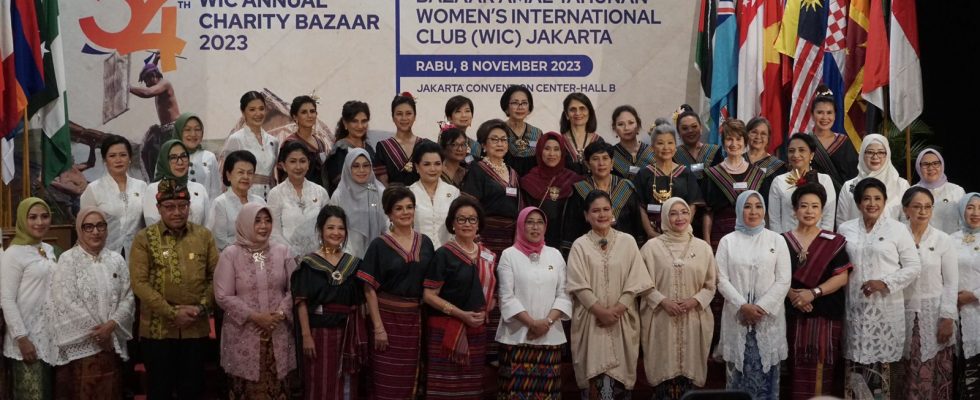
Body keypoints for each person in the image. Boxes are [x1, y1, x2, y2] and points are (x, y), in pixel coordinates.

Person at [129, 178, 219, 399]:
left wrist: (200, 309)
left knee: (193, 390)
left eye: (182, 206)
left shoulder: (204, 236)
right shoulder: (144, 239)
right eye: (169, 207)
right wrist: (171, 313)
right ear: (159, 208)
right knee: (160, 390)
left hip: (195, 328)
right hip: (157, 331)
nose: (177, 212)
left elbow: (215, 278)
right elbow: (139, 283)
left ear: (189, 206)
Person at [838, 178, 922, 398]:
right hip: (854, 309)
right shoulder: (845, 229)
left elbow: (914, 266)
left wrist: (884, 282)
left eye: (877, 198)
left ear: (885, 201)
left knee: (883, 373)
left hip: (885, 310)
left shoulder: (898, 229)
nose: (872, 203)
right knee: (855, 370)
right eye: (866, 198)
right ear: (858, 202)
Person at [566, 191, 654, 398]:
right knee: (594, 377)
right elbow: (577, 284)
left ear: (613, 212)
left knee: (620, 378)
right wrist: (600, 311)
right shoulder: (580, 245)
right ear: (586, 215)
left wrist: (619, 308)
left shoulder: (628, 241)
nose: (602, 214)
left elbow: (636, 279)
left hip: (621, 319)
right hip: (591, 320)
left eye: (606, 209)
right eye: (595, 211)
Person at [46, 207, 135, 399]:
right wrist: (99, 334)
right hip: (80, 345)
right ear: (79, 229)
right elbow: (65, 301)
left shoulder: (116, 260)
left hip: (111, 342)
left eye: (100, 226)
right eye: (89, 227)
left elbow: (128, 297)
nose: (96, 232)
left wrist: (110, 327)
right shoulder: (68, 260)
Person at [356, 186, 435, 400]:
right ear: (389, 213)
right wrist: (378, 327)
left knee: (412, 377)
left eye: (409, 207)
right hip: (387, 321)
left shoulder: (425, 243)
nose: (405, 212)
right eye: (399, 208)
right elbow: (368, 289)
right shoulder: (379, 245)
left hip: (416, 320)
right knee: (386, 378)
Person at [214, 204, 296, 399]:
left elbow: (295, 289)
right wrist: (255, 316)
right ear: (245, 223)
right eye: (257, 221)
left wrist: (280, 313)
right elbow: (223, 295)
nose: (263, 226)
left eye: (268, 221)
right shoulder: (230, 254)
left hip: (278, 330)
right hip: (244, 333)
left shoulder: (283, 251)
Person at [715, 191, 790, 399]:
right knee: (737, 377)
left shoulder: (777, 240)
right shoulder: (727, 241)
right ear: (739, 210)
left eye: (758, 206)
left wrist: (761, 307)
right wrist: (743, 306)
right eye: (747, 206)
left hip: (768, 319)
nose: (753, 211)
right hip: (737, 317)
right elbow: (721, 279)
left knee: (767, 378)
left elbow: (784, 280)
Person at [640, 197, 717, 398]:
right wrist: (662, 301)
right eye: (673, 213)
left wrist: (695, 300)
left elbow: (710, 285)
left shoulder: (703, 248)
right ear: (665, 217)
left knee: (689, 382)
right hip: (661, 319)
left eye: (684, 212)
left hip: (693, 319)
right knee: (664, 375)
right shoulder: (650, 248)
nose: (679, 217)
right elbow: (641, 284)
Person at [781, 183, 851, 399]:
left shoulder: (834, 241)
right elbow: (773, 276)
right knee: (795, 369)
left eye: (815, 206)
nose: (809, 211)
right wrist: (793, 295)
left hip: (825, 314)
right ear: (795, 210)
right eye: (804, 206)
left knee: (822, 367)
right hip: (793, 314)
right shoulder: (781, 240)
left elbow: (842, 277)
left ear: (822, 211)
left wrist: (813, 293)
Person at [422, 197, 496, 399]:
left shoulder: (488, 255)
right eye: (461, 219)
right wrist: (461, 314)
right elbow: (429, 295)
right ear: (452, 224)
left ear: (479, 224)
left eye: (472, 219)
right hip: (446, 331)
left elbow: (492, 293)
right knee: (444, 389)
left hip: (476, 331)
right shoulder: (444, 254)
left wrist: (488, 306)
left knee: (470, 389)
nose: (467, 224)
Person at [495, 207, 572, 399]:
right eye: (529, 222)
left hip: (550, 336)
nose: (535, 227)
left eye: (539, 222)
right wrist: (532, 323)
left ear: (545, 227)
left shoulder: (555, 255)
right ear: (521, 225)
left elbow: (564, 293)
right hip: (517, 336)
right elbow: (506, 296)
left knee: (547, 394)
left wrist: (547, 322)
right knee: (514, 392)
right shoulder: (509, 255)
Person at [291, 205, 367, 399]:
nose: (336, 233)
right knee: (320, 381)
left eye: (341, 228)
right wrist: (306, 335)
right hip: (319, 334)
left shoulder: (353, 264)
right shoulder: (309, 264)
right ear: (320, 230)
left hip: (348, 332)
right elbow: (301, 303)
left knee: (347, 383)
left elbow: (361, 302)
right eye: (330, 227)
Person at [900, 187, 958, 399]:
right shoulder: (896, 237)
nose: (923, 211)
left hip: (935, 316)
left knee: (934, 376)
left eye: (927, 207)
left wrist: (948, 317)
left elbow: (951, 282)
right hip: (901, 314)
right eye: (917, 206)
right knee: (904, 376)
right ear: (906, 209)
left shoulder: (942, 239)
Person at [1, 198, 57, 398]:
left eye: (44, 216)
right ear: (22, 220)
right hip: (26, 338)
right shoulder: (13, 254)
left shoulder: (48, 249)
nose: (39, 222)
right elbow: (6, 299)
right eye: (32, 217)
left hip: (49, 336)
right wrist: (22, 338)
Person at [563, 142, 645, 255]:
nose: (601, 163)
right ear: (587, 164)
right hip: (589, 252)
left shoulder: (626, 187)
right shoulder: (579, 190)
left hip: (624, 251)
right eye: (595, 159)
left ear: (612, 163)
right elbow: (571, 229)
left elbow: (637, 226)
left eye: (605, 158)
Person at [633, 120, 704, 239]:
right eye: (660, 143)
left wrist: (683, 227)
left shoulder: (686, 173)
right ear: (652, 148)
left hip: (681, 231)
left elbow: (692, 205)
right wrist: (650, 232)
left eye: (670, 143)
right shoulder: (644, 174)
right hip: (652, 234)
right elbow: (640, 207)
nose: (666, 147)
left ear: (675, 147)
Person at [461, 118, 521, 258]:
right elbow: (469, 206)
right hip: (485, 238)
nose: (500, 144)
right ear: (483, 144)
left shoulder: (513, 172)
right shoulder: (477, 170)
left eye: (503, 140)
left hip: (510, 240)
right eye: (494, 140)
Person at [702, 119, 765, 248]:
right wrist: (707, 243)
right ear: (723, 142)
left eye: (738, 139)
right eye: (729, 139)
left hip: (752, 236)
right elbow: (708, 213)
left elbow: (765, 212)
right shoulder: (712, 174)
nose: (734, 144)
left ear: (745, 142)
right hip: (720, 237)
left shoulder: (758, 174)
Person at [80, 134, 147, 257]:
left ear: (130, 158)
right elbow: (84, 229)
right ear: (105, 160)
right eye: (112, 156)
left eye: (123, 155)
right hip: (104, 255)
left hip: (137, 255)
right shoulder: (94, 189)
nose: (118, 160)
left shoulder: (142, 186)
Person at [520, 131, 583, 249]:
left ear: (562, 152)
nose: (552, 154)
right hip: (535, 241)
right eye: (547, 149)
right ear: (540, 151)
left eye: (556, 149)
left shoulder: (574, 181)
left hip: (567, 244)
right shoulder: (528, 181)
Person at [268, 141, 330, 257]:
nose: (298, 167)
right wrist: (293, 255)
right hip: (287, 258)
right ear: (283, 165)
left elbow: (328, 225)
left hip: (318, 257)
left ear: (308, 164)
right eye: (292, 161)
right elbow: (274, 232)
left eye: (302, 161)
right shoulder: (275, 194)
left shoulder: (321, 192)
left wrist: (320, 253)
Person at [769, 133, 837, 233]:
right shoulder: (779, 181)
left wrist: (821, 241)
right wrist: (782, 240)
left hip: (817, 240)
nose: (796, 155)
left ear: (811, 155)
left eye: (801, 150)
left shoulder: (824, 180)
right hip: (787, 240)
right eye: (791, 151)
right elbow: (774, 221)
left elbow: (828, 219)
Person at [836, 134, 909, 224]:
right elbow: (841, 221)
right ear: (862, 154)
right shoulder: (849, 186)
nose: (875, 157)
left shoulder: (901, 185)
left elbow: (907, 219)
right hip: (854, 233)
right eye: (870, 152)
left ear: (888, 155)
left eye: (881, 152)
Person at [329, 148, 387, 258]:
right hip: (346, 255)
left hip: (377, 254)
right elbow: (333, 228)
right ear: (348, 168)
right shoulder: (339, 195)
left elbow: (387, 224)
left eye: (366, 165)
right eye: (356, 166)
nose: (361, 170)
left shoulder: (378, 192)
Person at [221, 91, 279, 199]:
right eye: (252, 109)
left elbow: (272, 175)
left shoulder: (273, 141)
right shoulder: (236, 139)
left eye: (261, 109)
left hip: (269, 195)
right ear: (243, 112)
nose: (258, 113)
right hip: (243, 195)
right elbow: (225, 175)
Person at [130, 59, 180, 180]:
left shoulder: (165, 84)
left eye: (147, 81)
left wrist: (128, 88)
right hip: (165, 131)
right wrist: (155, 60)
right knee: (149, 153)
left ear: (153, 75)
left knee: (171, 162)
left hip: (174, 130)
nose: (146, 85)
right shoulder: (157, 82)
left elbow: (147, 93)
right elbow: (151, 71)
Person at [206, 150, 265, 251]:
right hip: (231, 256)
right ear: (228, 175)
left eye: (250, 173)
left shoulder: (260, 202)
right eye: (240, 172)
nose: (246, 177)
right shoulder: (220, 203)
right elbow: (220, 241)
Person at [142, 139, 210, 226]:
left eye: (184, 156)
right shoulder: (153, 189)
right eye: (173, 157)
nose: (180, 162)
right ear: (164, 161)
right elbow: (152, 225)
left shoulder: (199, 189)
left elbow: (206, 225)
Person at [952, 193, 980, 398]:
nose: (976, 212)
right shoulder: (950, 239)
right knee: (960, 371)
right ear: (962, 210)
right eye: (970, 207)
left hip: (977, 310)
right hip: (955, 314)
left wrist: (974, 295)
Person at [408, 141, 460, 248]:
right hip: (417, 252)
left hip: (447, 253)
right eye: (427, 164)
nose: (433, 169)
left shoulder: (453, 192)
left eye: (437, 164)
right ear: (417, 167)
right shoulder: (408, 193)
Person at [809, 86, 859, 192]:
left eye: (829, 113)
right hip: (811, 197)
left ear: (835, 115)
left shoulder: (845, 143)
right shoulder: (805, 142)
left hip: (842, 199)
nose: (825, 117)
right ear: (812, 115)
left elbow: (854, 177)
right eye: (820, 112)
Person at [323, 100, 378, 194]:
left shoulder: (368, 148)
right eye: (354, 121)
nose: (360, 126)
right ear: (345, 123)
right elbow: (340, 184)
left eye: (364, 121)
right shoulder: (340, 150)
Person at [376, 92, 430, 186]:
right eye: (399, 114)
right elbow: (382, 183)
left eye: (408, 113)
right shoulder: (383, 147)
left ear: (415, 116)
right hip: (393, 195)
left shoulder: (425, 145)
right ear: (393, 117)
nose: (404, 118)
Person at [912, 148, 965, 233]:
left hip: (951, 239)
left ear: (942, 165)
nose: (930, 168)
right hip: (921, 240)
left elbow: (965, 221)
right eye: (925, 164)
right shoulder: (912, 192)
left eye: (935, 163)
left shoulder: (957, 191)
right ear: (919, 167)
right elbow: (905, 220)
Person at [282, 95, 328, 185]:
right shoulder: (290, 143)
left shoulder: (320, 142)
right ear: (295, 117)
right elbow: (284, 176)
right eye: (304, 112)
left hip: (320, 191)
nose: (309, 115)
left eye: (312, 111)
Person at [174, 112, 222, 197]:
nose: (193, 134)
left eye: (197, 129)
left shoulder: (209, 157)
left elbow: (215, 191)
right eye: (187, 129)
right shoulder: (168, 157)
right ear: (179, 131)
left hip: (205, 205)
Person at [501, 85, 543, 175]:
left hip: (531, 181)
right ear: (506, 107)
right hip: (502, 181)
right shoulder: (497, 131)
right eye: (515, 103)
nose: (520, 107)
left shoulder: (537, 133)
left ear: (529, 108)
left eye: (524, 103)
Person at [673, 104, 722, 181]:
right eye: (685, 128)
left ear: (701, 128)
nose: (690, 131)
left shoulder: (714, 152)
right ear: (679, 132)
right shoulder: (673, 155)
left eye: (694, 126)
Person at [560, 93, 605, 175]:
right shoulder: (559, 142)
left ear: (589, 112)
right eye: (573, 109)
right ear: (566, 115)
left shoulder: (599, 141)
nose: (577, 113)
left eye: (582, 108)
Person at [744, 116, 787, 200]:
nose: (758, 137)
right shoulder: (737, 160)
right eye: (754, 132)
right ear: (747, 134)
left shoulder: (779, 167)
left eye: (763, 134)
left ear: (768, 138)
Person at [611, 105, 655, 180]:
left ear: (638, 125)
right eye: (621, 124)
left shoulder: (652, 151)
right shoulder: (610, 155)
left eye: (631, 123)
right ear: (614, 128)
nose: (626, 128)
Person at [444, 95, 480, 163]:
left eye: (467, 111)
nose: (464, 115)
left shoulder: (475, 145)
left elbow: (472, 164)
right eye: (458, 111)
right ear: (449, 118)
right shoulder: (444, 141)